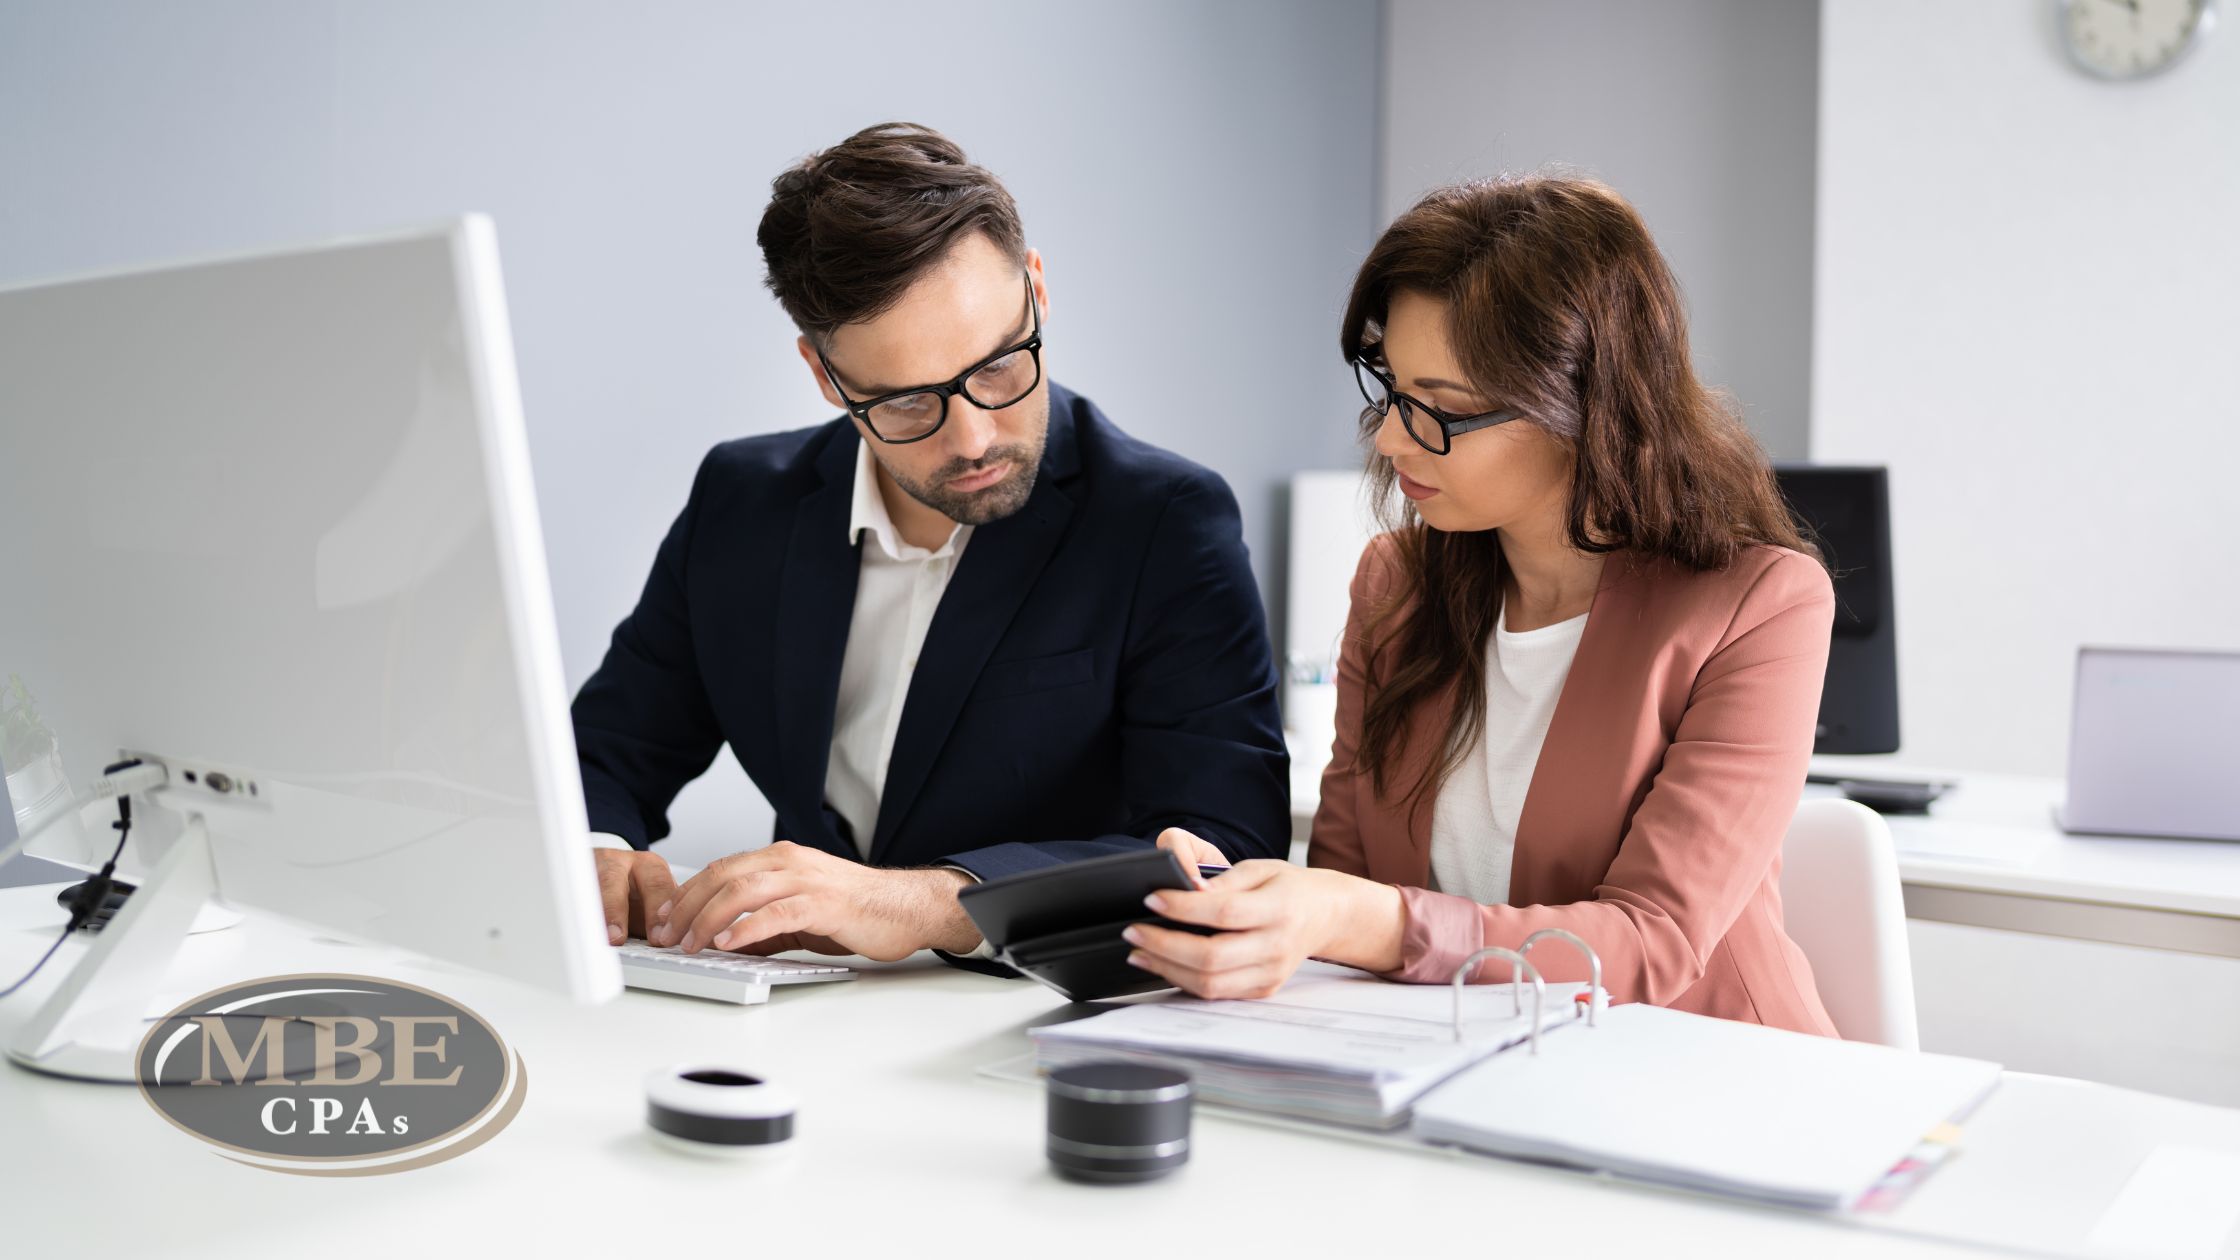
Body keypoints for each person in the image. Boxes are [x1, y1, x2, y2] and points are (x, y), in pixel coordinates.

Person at [1132, 174, 1839, 1035]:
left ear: (1586, 408)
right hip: (1461, 1072)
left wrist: (1358, 919)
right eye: (1392, 389)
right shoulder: (1395, 587)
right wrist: (1249, 906)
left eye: (1445, 410)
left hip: (1709, 1080)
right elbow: (1347, 889)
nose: (1392, 438)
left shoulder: (1762, 606)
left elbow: (1653, 944)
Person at [573, 122, 1288, 966]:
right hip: (788, 1014)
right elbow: (604, 753)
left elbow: (1226, 848)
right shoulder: (743, 502)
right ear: (823, 375)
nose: (977, 435)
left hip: (1026, 1022)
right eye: (908, 403)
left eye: (999, 366)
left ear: (1038, 291)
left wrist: (921, 905)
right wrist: (594, 849)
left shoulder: (1164, 521)